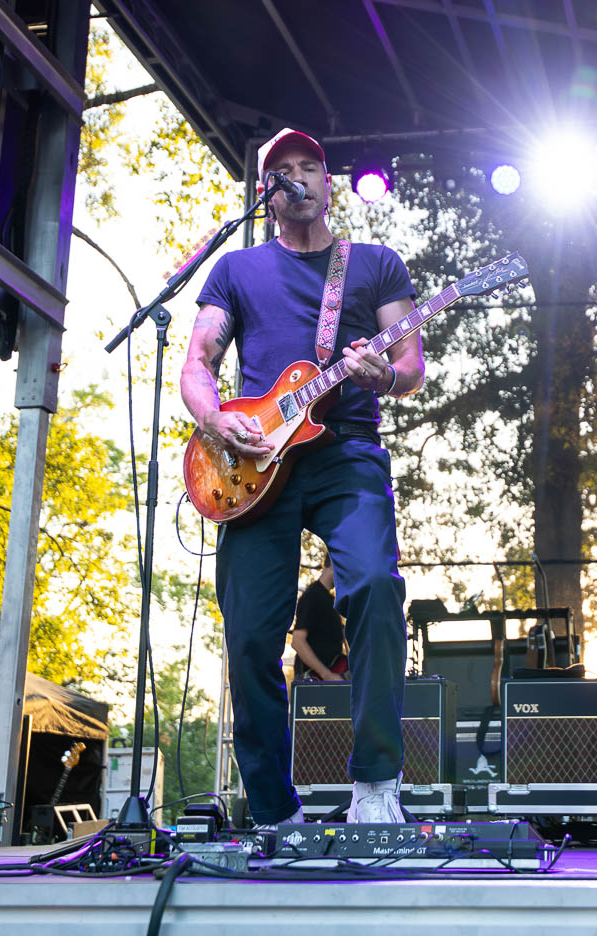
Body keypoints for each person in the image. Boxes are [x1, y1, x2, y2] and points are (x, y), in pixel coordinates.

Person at [180, 127, 424, 827]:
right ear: (268, 192)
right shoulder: (237, 269)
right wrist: (214, 420)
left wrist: (383, 375)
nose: (299, 177)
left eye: (309, 166)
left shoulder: (373, 263)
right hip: (255, 462)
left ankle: (375, 784)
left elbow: (411, 364)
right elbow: (198, 362)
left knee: (374, 585)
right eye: (283, 169)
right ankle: (272, 810)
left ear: (328, 183)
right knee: (251, 635)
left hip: (347, 451)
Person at [293, 561, 347, 681]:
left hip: (328, 678)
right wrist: (326, 674)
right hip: (312, 680)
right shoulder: (312, 596)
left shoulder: (330, 601)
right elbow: (297, 641)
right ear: (333, 565)